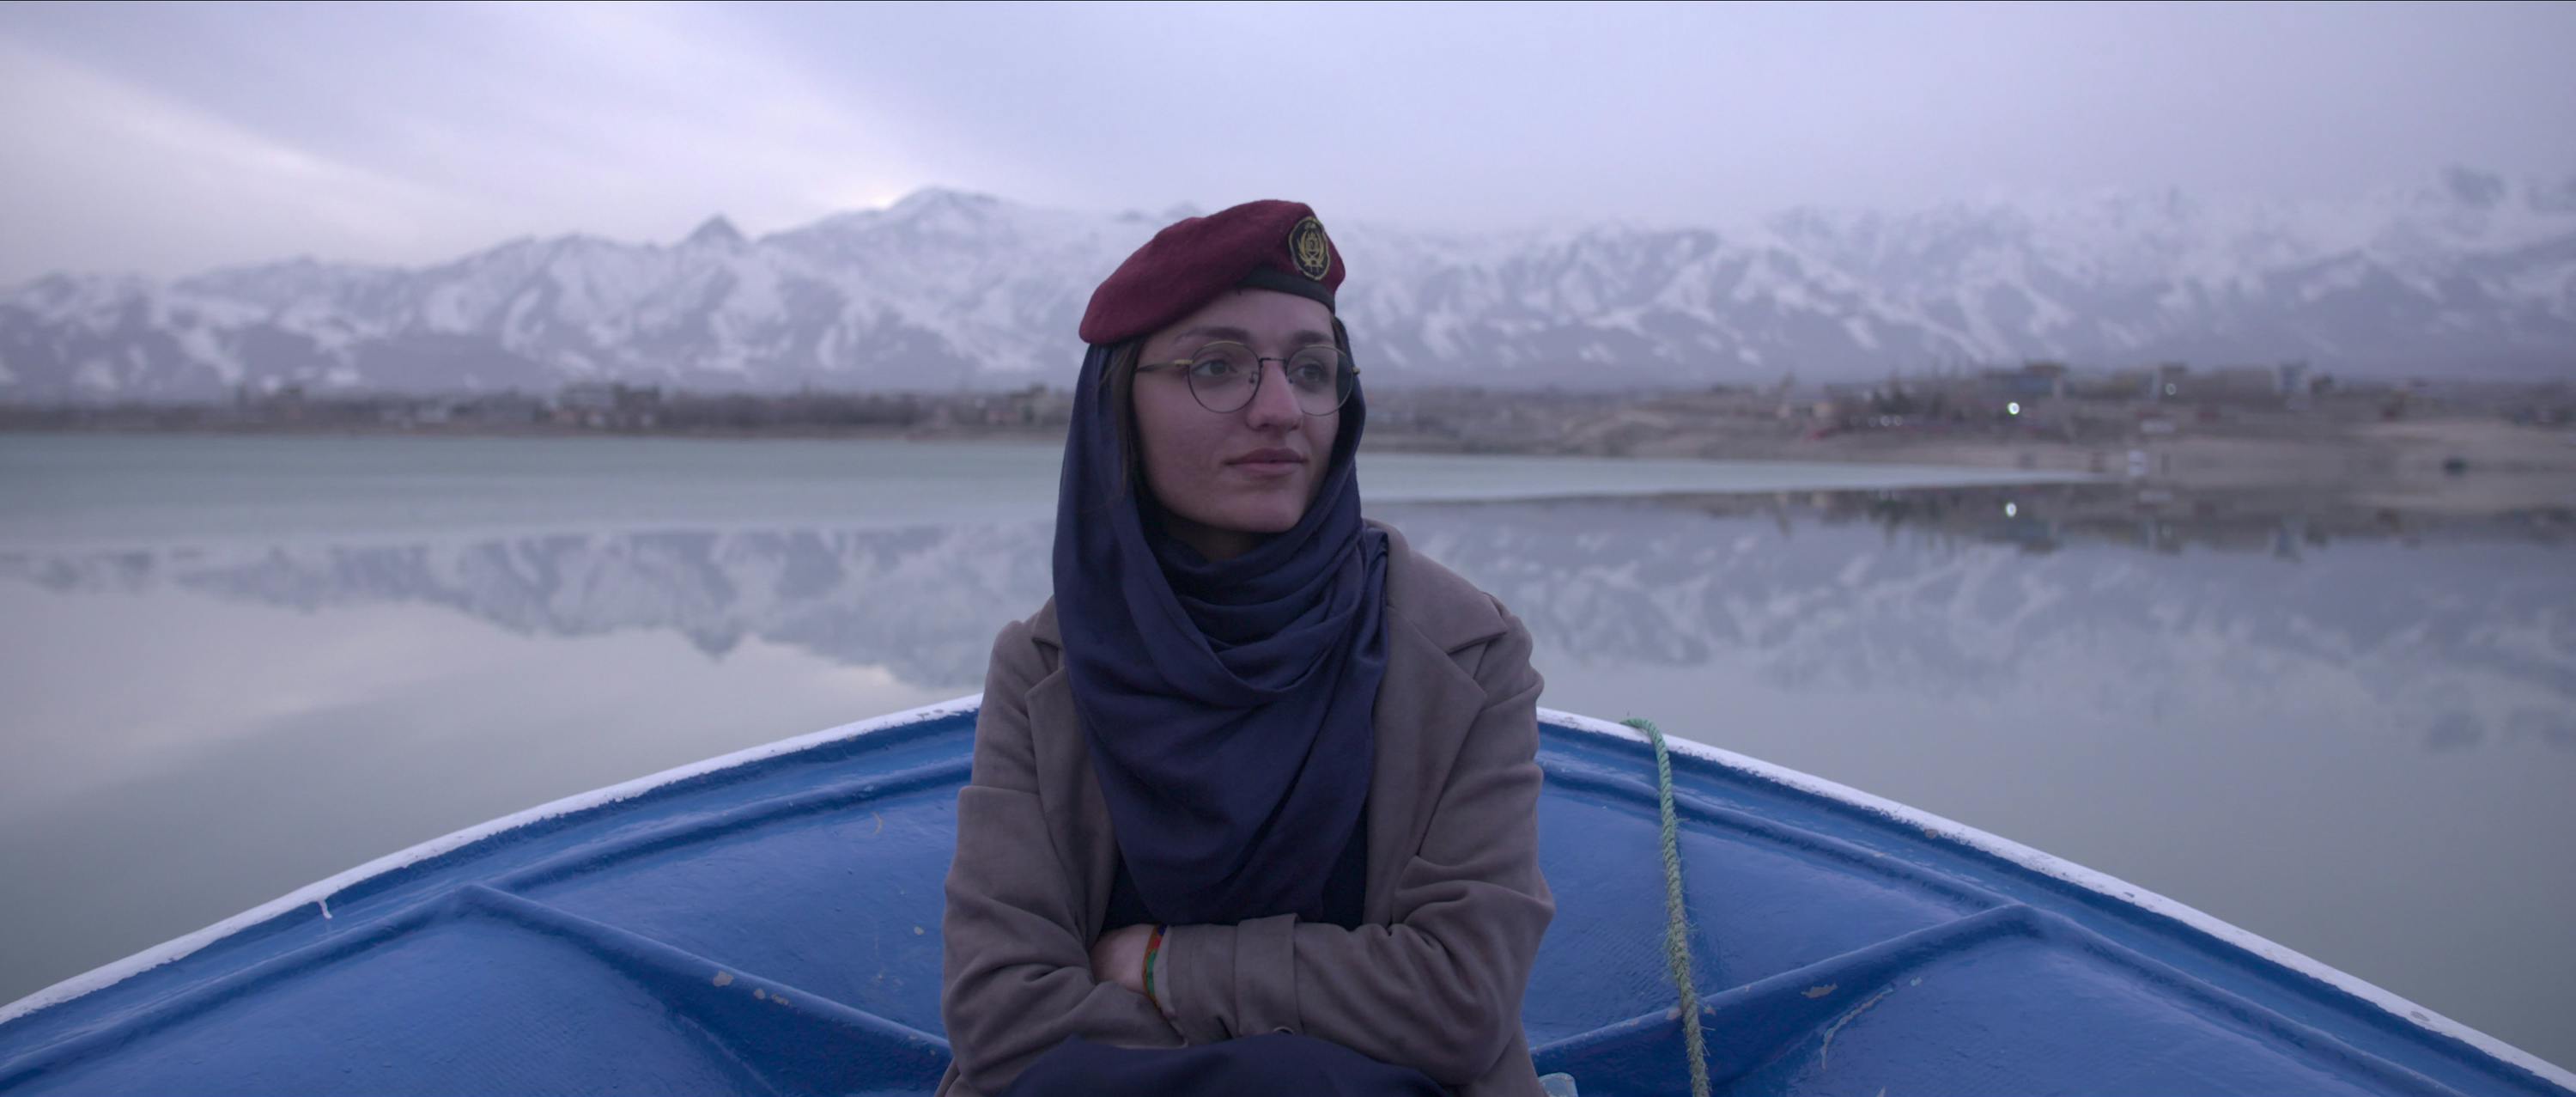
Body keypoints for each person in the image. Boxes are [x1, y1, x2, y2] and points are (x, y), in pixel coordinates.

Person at [937, 199, 1553, 1096]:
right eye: (1216, 367)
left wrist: (1160, 965)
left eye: (1311, 368)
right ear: (1116, 408)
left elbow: (1459, 1002)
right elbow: (1004, 1018)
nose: (1280, 409)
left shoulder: (1464, 653)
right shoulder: (1046, 668)